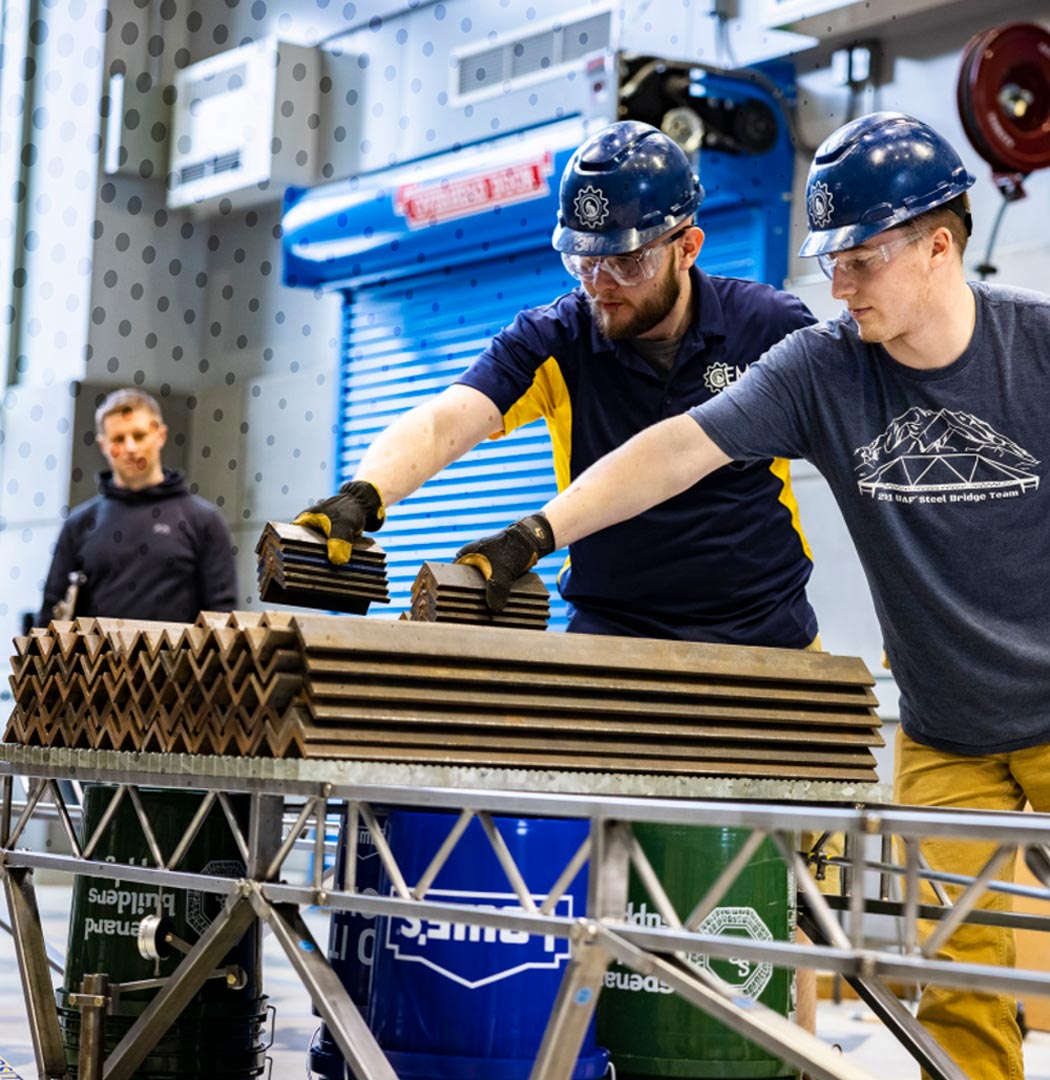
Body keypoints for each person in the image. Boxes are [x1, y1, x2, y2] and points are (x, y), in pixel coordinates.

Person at [455, 111, 1049, 1080]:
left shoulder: (1038, 351)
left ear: (938, 246)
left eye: (857, 260)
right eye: (831, 260)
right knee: (958, 985)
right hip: (948, 734)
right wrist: (534, 534)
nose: (835, 284)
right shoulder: (824, 370)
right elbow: (678, 448)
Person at [295, 119, 819, 648]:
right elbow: (444, 421)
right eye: (584, 262)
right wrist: (366, 492)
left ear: (687, 248)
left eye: (627, 263)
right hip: (615, 631)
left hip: (766, 631)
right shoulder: (556, 338)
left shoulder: (768, 328)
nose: (601, 285)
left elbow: (864, 444)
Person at [37, 388, 238, 625]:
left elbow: (223, 616)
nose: (130, 448)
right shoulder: (79, 524)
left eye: (139, 435)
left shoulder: (204, 521)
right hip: (96, 662)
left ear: (160, 435)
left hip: (175, 661)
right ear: (103, 444)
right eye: (118, 439)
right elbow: (51, 614)